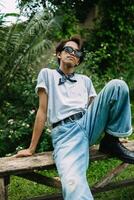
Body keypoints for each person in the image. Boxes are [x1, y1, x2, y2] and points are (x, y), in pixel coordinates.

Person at [16, 36, 134, 200]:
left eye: (77, 52)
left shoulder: (85, 80)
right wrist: (31, 148)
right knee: (74, 185)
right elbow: (42, 111)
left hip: (87, 124)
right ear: (59, 54)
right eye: (68, 49)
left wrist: (116, 131)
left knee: (118, 85)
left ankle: (111, 141)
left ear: (78, 61)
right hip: (66, 134)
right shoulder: (47, 74)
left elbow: (100, 107)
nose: (72, 53)